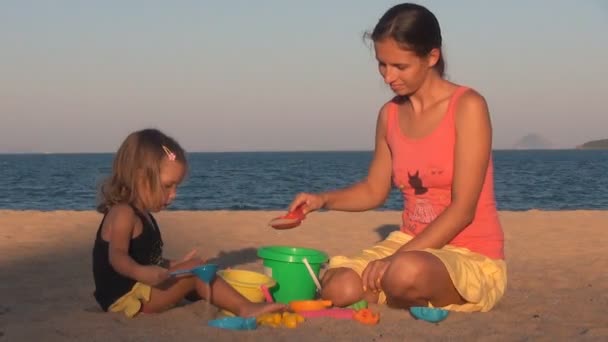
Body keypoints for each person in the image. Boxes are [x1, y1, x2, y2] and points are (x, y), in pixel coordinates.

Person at [288, 3, 506, 313]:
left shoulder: (468, 106)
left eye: (399, 66)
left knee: (405, 271)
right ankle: (395, 290)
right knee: (339, 286)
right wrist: (322, 200)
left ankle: (398, 287)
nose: (388, 77)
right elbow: (374, 190)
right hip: (409, 243)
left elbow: (463, 211)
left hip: (469, 253)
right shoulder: (388, 115)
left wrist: (394, 260)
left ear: (432, 57)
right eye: (382, 64)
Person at [92, 128, 284, 317]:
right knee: (196, 271)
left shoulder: (144, 215)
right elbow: (117, 256)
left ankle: (223, 295)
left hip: (142, 291)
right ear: (141, 177)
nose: (174, 194)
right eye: (168, 186)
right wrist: (140, 272)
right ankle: (245, 308)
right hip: (128, 300)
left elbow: (147, 259)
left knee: (196, 269)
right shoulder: (123, 213)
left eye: (176, 186)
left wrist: (175, 264)